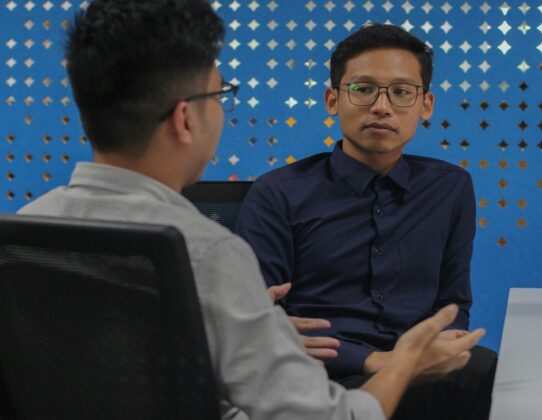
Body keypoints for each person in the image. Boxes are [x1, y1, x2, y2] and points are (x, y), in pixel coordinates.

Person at [17, 2, 485, 419]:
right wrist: (403, 362)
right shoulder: (206, 252)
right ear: (186, 118)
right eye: (220, 97)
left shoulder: (20, 232)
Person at [235, 23, 497, 419]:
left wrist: (436, 345)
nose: (381, 106)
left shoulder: (450, 187)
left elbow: (453, 300)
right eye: (362, 89)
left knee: (495, 372)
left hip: (423, 368)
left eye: (401, 92)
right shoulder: (278, 193)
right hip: (324, 377)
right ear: (332, 99)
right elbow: (266, 321)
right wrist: (375, 361)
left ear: (425, 105)